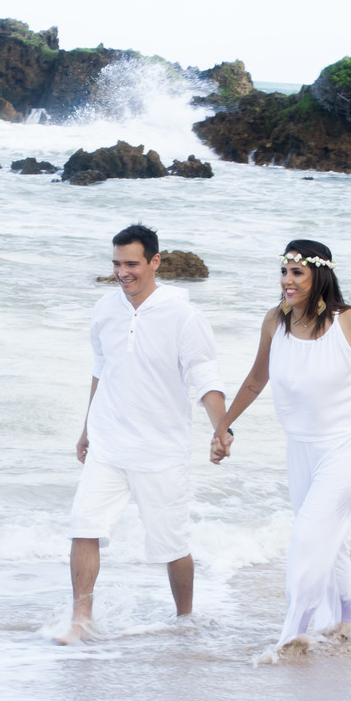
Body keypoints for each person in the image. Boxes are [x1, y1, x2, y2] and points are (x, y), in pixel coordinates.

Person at [210, 239, 351, 650]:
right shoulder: (276, 321)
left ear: (319, 275)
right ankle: (349, 622)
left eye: (297, 273)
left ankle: (292, 633)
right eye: (283, 271)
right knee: (329, 537)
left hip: (349, 444)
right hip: (301, 449)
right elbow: (257, 379)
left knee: (309, 534)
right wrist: (223, 426)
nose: (287, 281)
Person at [58, 224, 227, 644]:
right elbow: (102, 371)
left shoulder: (184, 315)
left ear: (155, 262)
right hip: (108, 441)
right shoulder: (105, 310)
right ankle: (81, 618)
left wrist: (221, 428)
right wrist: (85, 429)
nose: (123, 272)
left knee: (172, 545)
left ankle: (185, 619)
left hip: (160, 449)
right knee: (84, 524)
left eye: (132, 263)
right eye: (116, 264)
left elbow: (205, 376)